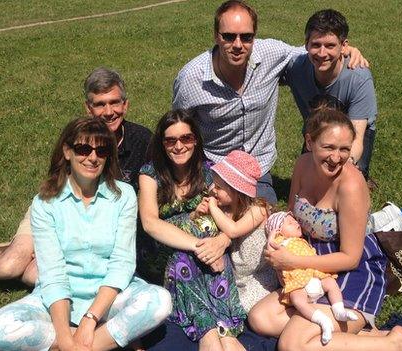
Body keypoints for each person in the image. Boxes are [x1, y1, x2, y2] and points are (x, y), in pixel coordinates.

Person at [0, 67, 153, 286]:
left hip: (98, 228)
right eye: (100, 104)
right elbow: (55, 189)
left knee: (35, 276)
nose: (109, 112)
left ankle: (10, 249)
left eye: (115, 103)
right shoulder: (77, 137)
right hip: (57, 212)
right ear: (88, 108)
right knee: (8, 267)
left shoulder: (142, 140)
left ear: (126, 104)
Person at [248, 102, 402, 351]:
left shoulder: (351, 186)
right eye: (328, 147)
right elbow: (292, 215)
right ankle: (377, 338)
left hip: (349, 273)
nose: (336, 158)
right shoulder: (302, 165)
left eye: (344, 149)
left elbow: (350, 258)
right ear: (310, 142)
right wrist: (277, 236)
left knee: (293, 345)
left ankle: (397, 346)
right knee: (260, 318)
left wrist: (293, 261)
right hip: (310, 264)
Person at [0, 117, 171, 351]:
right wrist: (65, 337)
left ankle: (88, 341)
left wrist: (90, 319)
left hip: (110, 296)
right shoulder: (45, 203)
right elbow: (53, 274)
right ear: (67, 151)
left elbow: (122, 263)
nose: (92, 157)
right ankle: (99, 340)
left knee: (160, 301)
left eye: (101, 150)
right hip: (60, 299)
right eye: (83, 149)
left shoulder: (123, 196)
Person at [172, 0, 368, 205]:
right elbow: (177, 129)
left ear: (254, 37)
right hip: (214, 166)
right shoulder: (192, 79)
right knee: (207, 225)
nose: (238, 45)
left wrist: (346, 50)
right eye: (229, 37)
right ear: (216, 36)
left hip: (258, 168)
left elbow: (314, 51)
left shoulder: (271, 55)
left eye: (246, 37)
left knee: (266, 231)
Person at [138, 110, 246, 351]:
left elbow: (236, 213)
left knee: (216, 249)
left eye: (186, 138)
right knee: (183, 255)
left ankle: (220, 332)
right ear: (162, 144)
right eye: (171, 140)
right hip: (163, 254)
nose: (179, 146)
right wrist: (201, 247)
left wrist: (223, 241)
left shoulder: (210, 172)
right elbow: (150, 223)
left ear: (196, 140)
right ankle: (213, 330)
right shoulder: (150, 174)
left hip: (207, 252)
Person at [284, 9, 378, 180]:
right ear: (306, 45)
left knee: (347, 182)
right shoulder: (295, 68)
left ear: (344, 46)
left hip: (354, 133)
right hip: (317, 130)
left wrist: (341, 165)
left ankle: (362, 179)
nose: (322, 54)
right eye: (316, 45)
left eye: (330, 46)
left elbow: (356, 139)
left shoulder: (358, 77)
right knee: (309, 184)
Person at [193, 150, 277, 314]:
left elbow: (233, 230)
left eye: (218, 187)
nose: (213, 191)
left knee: (240, 309)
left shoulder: (258, 209)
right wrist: (199, 213)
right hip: (237, 274)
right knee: (216, 303)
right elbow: (200, 227)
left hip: (259, 276)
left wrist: (212, 207)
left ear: (237, 191)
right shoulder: (226, 209)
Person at [264, 211, 358, 345]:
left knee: (331, 283)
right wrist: (271, 238)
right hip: (299, 285)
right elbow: (271, 253)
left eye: (295, 220)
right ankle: (321, 320)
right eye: (290, 223)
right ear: (279, 232)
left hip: (316, 276)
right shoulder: (281, 242)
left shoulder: (300, 240)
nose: (296, 223)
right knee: (297, 300)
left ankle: (339, 310)